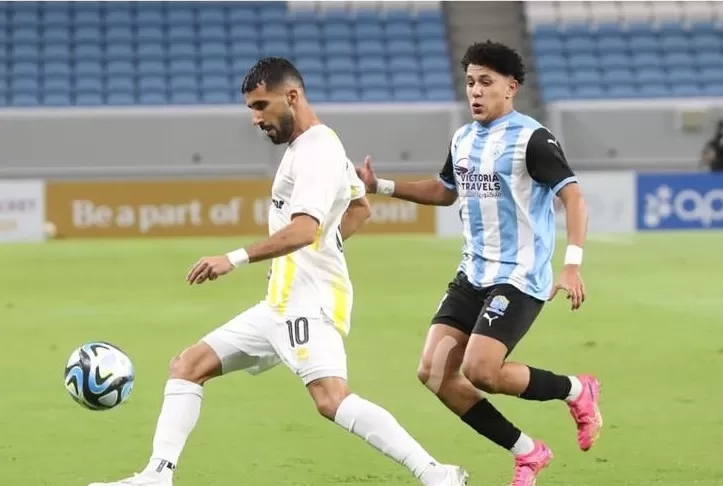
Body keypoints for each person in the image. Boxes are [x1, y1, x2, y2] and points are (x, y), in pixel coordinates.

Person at [89, 57, 468, 486]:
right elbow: (360, 207)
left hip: (308, 303)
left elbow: (304, 230)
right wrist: (323, 247)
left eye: (260, 106)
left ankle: (435, 473)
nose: (254, 119)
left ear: (291, 96)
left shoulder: (317, 153)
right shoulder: (319, 144)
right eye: (251, 108)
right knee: (188, 365)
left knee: (331, 399)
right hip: (278, 304)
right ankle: (157, 476)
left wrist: (233, 258)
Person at [355, 41, 602, 486]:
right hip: (472, 274)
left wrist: (572, 264)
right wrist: (381, 186)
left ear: (511, 87)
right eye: (470, 82)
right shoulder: (463, 138)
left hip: (518, 276)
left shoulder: (532, 139)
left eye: (486, 82)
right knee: (433, 374)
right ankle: (528, 452)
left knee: (481, 370)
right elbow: (445, 191)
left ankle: (577, 389)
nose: (475, 91)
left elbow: (574, 198)